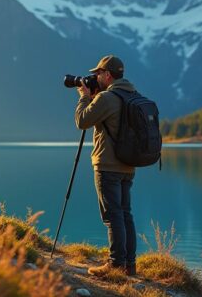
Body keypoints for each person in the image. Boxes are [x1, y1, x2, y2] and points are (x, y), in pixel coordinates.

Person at [75, 54, 137, 277]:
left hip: (107, 165)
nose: (95, 77)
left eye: (98, 73)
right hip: (128, 165)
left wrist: (84, 97)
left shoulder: (107, 99)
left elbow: (82, 121)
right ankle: (129, 265)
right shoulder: (131, 94)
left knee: (112, 216)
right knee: (125, 214)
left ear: (108, 75)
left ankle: (116, 264)